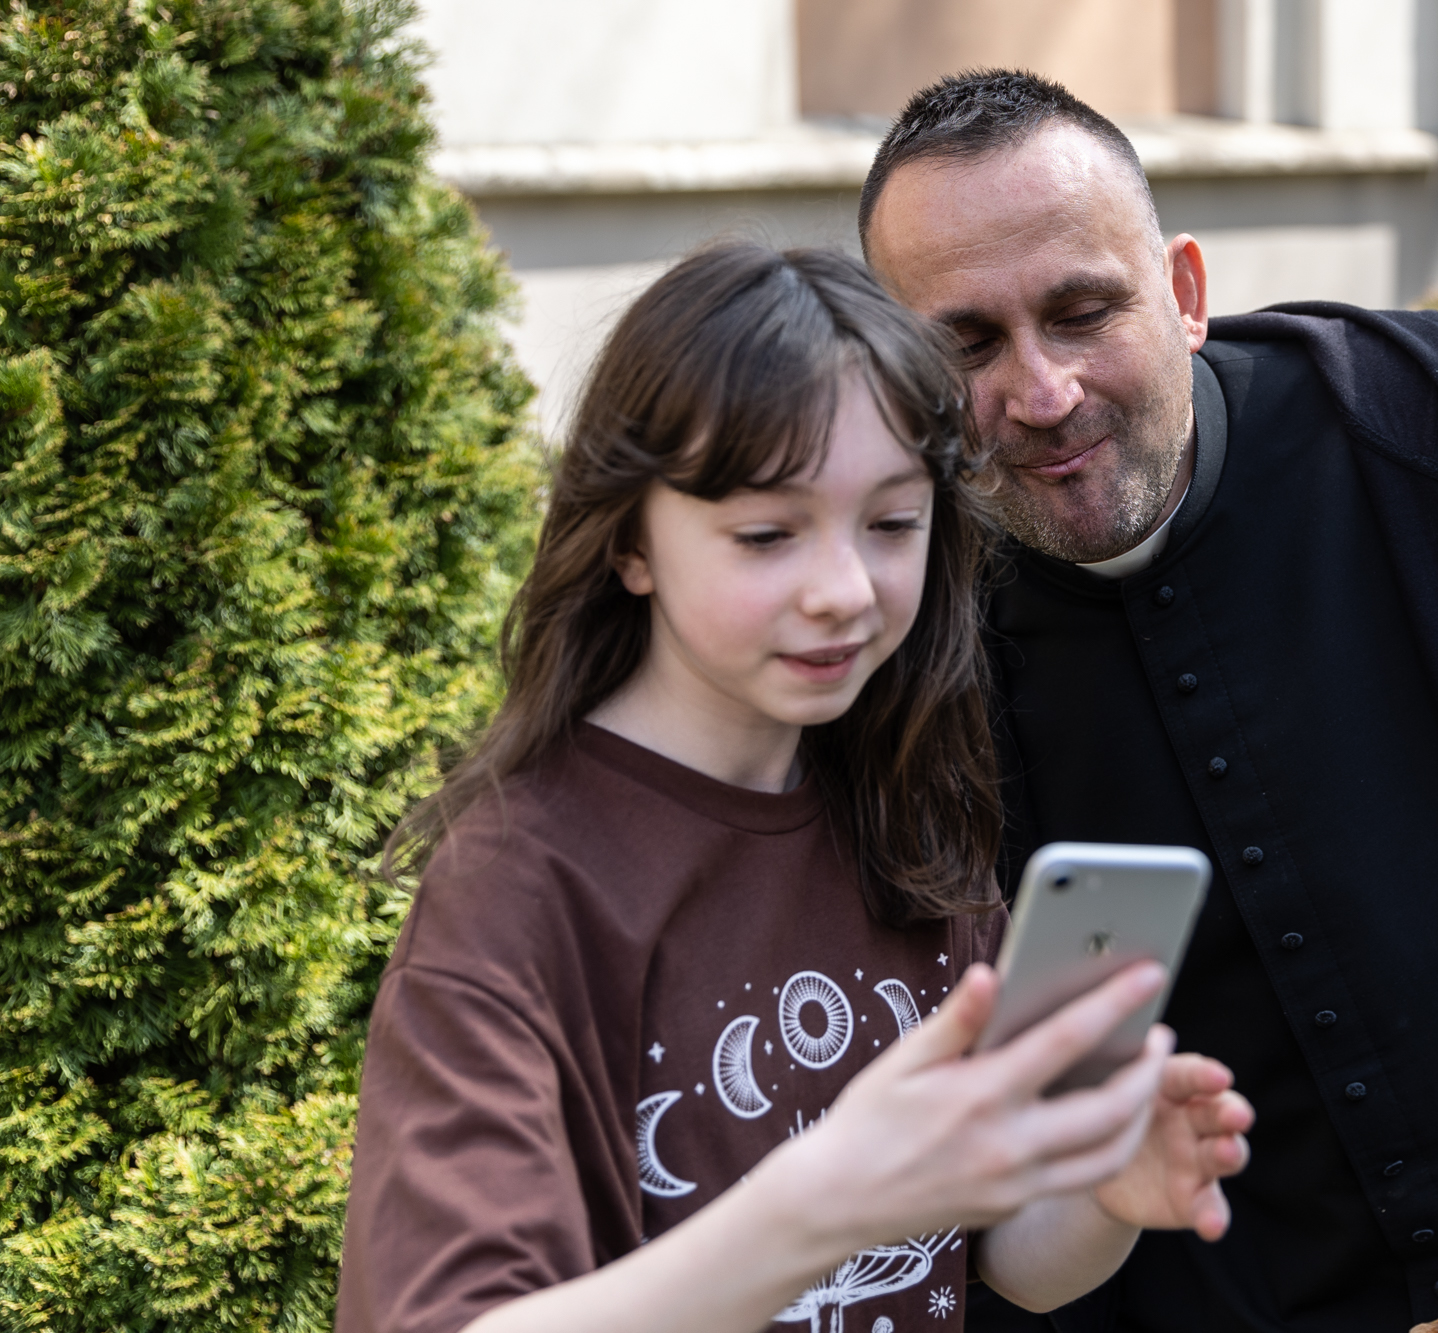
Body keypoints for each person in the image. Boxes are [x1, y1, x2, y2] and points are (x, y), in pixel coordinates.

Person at [859, 73, 1438, 1333]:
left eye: (1082, 312)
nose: (1042, 391)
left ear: (1183, 292)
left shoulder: (1435, 421)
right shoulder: (895, 629)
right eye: (965, 345)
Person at [335, 243, 1255, 1333]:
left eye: (891, 524)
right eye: (767, 534)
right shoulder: (519, 883)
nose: (842, 590)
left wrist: (1103, 1187)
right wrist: (821, 1200)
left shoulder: (903, 814)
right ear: (629, 541)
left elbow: (1000, 1256)